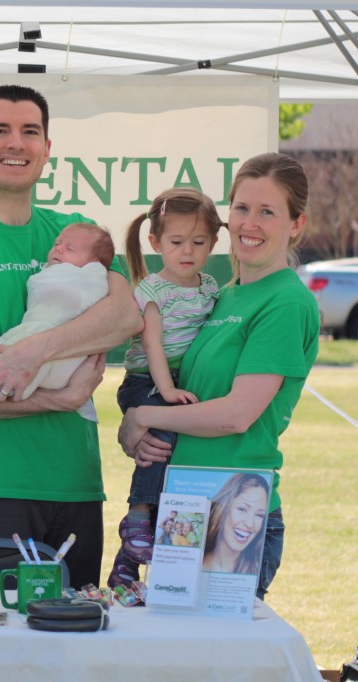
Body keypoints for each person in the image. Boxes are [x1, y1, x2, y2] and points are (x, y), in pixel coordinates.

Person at [0, 84, 141, 589]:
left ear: (47, 149)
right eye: (0, 131)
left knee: (73, 646)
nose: (16, 143)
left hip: (77, 486)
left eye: (30, 132)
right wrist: (59, 399)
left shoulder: (75, 235)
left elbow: (126, 316)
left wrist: (34, 352)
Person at [118, 152, 319, 599]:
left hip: (235, 511)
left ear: (296, 224)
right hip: (184, 503)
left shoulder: (285, 303)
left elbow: (236, 415)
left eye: (268, 211)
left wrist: (143, 417)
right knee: (173, 659)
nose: (250, 223)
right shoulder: (219, 297)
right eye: (242, 208)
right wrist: (138, 430)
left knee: (218, 663)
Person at [107, 188, 222, 588]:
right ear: (156, 242)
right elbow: (153, 345)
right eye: (176, 242)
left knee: (173, 461)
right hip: (145, 382)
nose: (187, 251)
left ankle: (126, 565)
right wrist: (166, 391)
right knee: (159, 439)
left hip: (174, 383)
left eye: (199, 242)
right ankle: (137, 514)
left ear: (213, 243)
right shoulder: (152, 291)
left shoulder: (209, 287)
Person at [0, 223, 114, 420]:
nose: (59, 248)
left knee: (30, 335)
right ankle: (5, 379)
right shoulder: (53, 270)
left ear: (93, 263)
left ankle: (1, 379)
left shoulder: (91, 277)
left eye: (70, 248)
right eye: (58, 243)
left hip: (66, 356)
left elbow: (74, 298)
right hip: (54, 362)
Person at [203, 474, 270, 575]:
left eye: (259, 515)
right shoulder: (192, 564)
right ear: (223, 508)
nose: (249, 523)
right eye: (242, 509)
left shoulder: (259, 573)